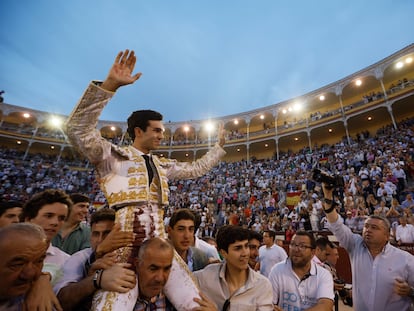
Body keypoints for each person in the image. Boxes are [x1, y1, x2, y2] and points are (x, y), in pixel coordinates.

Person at [66, 49, 226, 310]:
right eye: (157, 131)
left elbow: (195, 169)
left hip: (161, 246)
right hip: (125, 247)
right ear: (138, 131)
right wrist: (109, 87)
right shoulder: (113, 156)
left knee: (196, 305)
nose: (162, 136)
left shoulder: (162, 164)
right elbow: (77, 130)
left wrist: (218, 149)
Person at [322, 183, 414, 311]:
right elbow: (336, 225)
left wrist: (410, 291)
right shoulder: (355, 244)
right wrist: (327, 196)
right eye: (366, 226)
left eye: (374, 228)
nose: (368, 230)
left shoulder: (406, 260)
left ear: (387, 235)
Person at [55, 208, 135, 311]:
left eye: (107, 233)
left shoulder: (130, 257)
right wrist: (96, 278)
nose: (100, 240)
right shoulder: (79, 258)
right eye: (96, 234)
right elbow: (61, 301)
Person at [194, 225, 274, 310]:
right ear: (223, 253)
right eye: (238, 248)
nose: (245, 253)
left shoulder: (262, 286)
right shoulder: (204, 278)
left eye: (246, 246)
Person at [268, 230, 334, 311]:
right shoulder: (277, 270)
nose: (296, 249)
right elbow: (269, 305)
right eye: (293, 244)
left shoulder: (323, 274)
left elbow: (325, 306)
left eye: (302, 246)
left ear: (313, 252)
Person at [22, 189, 71, 285]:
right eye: (48, 216)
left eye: (61, 218)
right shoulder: (6, 253)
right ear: (28, 219)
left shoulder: (66, 261)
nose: (55, 223)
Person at [0, 223, 49, 310]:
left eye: (38, 261)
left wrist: (44, 278)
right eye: (18, 264)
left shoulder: (41, 300)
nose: (30, 273)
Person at [323, 242, 352, 311]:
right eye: (335, 255)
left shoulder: (330, 268)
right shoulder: (324, 270)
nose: (338, 257)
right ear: (327, 256)